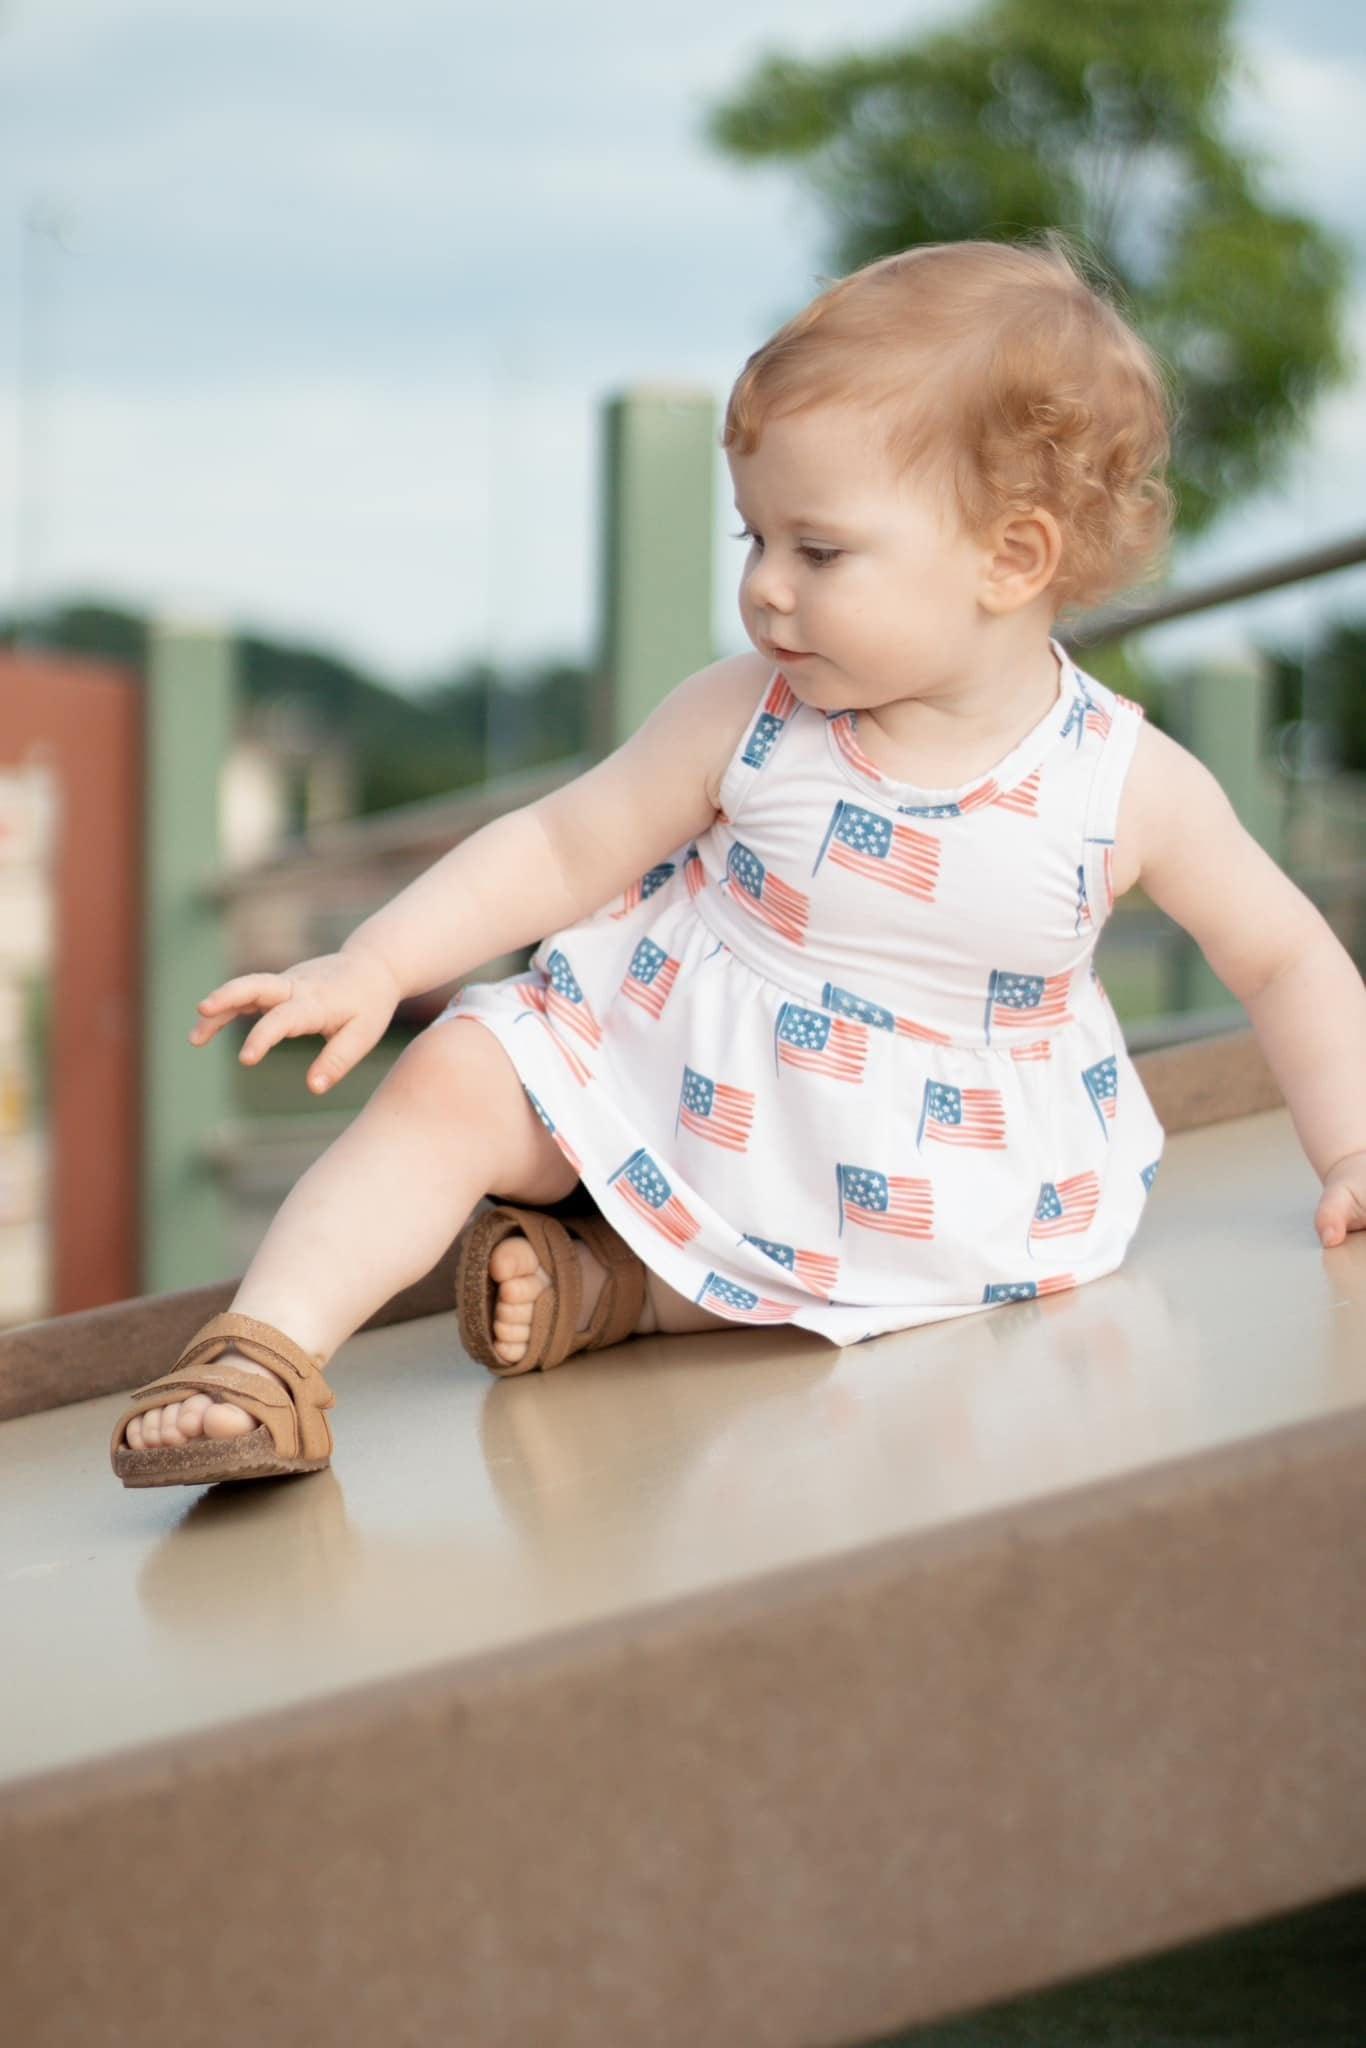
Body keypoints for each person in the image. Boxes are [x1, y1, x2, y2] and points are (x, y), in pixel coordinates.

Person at [110, 234, 1366, 1489]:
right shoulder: (750, 712)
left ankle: (616, 1288)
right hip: (674, 1059)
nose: (765, 590)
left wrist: (1352, 1147)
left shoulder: (1121, 782)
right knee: (455, 1075)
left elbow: (1285, 954)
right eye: (751, 539)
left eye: (817, 551)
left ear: (1011, 557)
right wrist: (379, 959)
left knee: (884, 1275)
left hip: (923, 1163)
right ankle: (263, 1355)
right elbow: (563, 839)